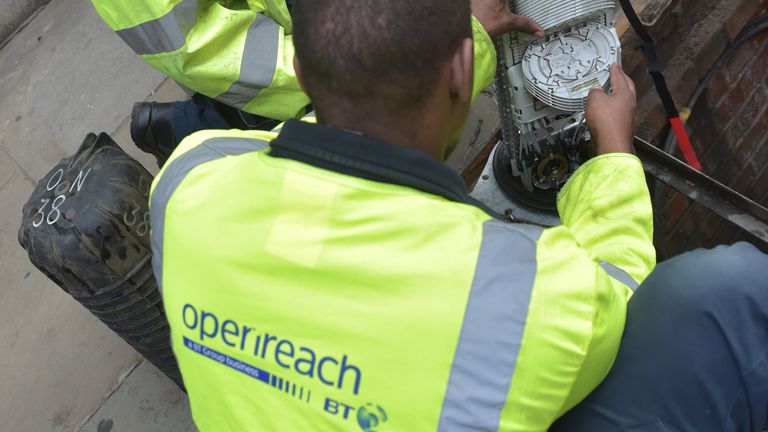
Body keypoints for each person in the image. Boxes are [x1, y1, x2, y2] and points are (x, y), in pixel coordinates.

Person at [148, 0, 768, 431]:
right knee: (731, 293)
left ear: (304, 73)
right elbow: (618, 276)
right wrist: (613, 151)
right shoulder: (510, 307)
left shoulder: (187, 182)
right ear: (465, 69)